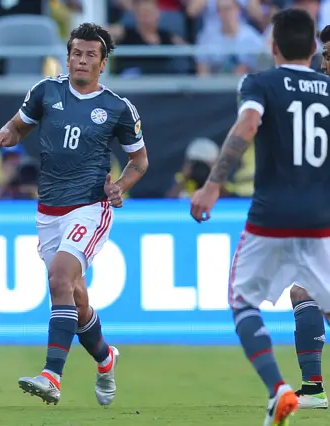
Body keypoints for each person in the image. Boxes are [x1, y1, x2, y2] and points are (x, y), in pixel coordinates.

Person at [0, 23, 149, 406]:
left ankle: (51, 375)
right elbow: (18, 127)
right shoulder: (45, 92)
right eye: (77, 53)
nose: (82, 60)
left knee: (59, 277)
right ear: (68, 57)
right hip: (48, 211)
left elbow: (139, 162)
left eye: (91, 55)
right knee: (75, 296)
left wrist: (118, 187)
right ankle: (105, 359)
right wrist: (4, 134)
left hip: (89, 208)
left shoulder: (118, 109)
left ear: (103, 63)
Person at [190, 9, 330, 424]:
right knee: (311, 296)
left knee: (243, 302)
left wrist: (213, 185)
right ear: (313, 50)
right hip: (321, 216)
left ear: (272, 47)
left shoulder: (260, 83)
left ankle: (278, 387)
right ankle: (311, 387)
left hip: (271, 216)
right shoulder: (326, 89)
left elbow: (248, 124)